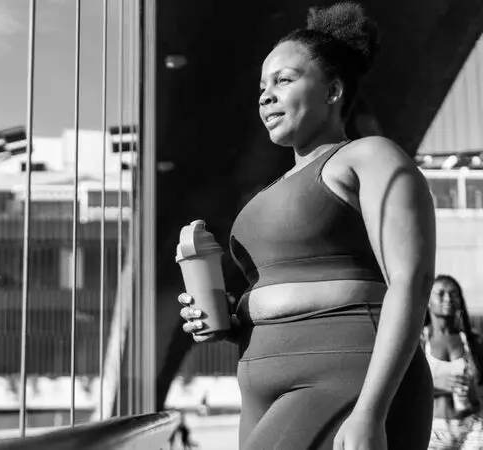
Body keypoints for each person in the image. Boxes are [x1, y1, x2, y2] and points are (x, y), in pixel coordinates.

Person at [178, 2, 436, 449]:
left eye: (284, 80)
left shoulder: (369, 156)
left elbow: (411, 280)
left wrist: (369, 412)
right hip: (260, 380)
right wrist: (229, 316)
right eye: (262, 86)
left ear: (333, 90)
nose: (265, 95)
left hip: (348, 373)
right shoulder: (272, 187)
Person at [423, 275, 483, 449]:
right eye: (440, 294)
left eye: (453, 294)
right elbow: (402, 388)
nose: (448, 299)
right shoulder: (418, 342)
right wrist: (435, 385)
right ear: (427, 299)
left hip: (472, 426)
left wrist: (473, 395)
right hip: (433, 429)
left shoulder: (472, 342)